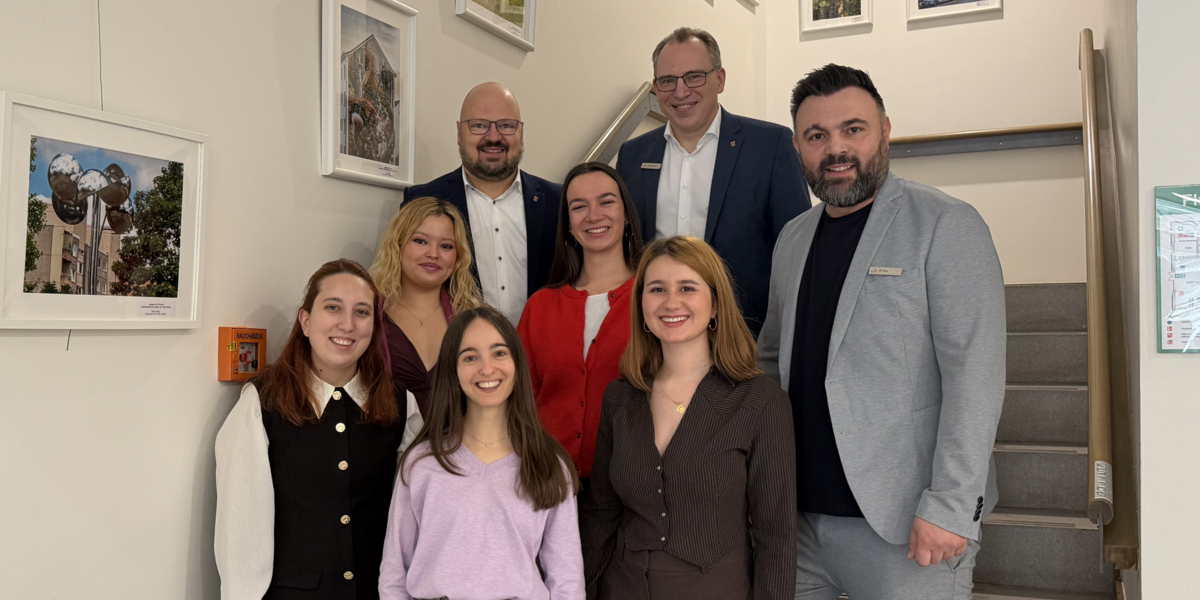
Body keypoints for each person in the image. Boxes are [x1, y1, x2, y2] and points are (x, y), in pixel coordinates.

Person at [757, 64, 1006, 600]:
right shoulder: (792, 239)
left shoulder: (946, 225)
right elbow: (768, 361)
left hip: (907, 526)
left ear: (886, 130)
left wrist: (951, 504)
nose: (836, 149)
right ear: (798, 146)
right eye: (816, 136)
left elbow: (975, 377)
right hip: (798, 524)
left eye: (854, 129)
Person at [581, 235, 797, 600]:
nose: (671, 302)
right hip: (621, 586)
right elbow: (602, 513)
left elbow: (776, 534)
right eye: (657, 289)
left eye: (687, 287)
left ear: (715, 305)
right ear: (642, 306)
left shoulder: (761, 402)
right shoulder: (620, 397)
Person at [215, 259, 410, 600]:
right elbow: (241, 536)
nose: (347, 324)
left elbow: (413, 519)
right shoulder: (260, 404)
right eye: (333, 307)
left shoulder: (401, 404)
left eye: (361, 312)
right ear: (306, 321)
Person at [379, 306, 585, 600]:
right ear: (453, 369)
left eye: (499, 353)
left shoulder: (548, 464)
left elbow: (567, 580)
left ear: (517, 362)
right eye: (470, 357)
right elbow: (394, 572)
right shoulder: (421, 463)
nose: (487, 369)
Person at [616, 27, 811, 336]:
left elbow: (797, 250)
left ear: (719, 79)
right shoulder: (633, 154)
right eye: (668, 81)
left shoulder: (770, 146)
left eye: (694, 76)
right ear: (656, 87)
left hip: (744, 338)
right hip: (658, 336)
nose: (680, 92)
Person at [517, 162, 644, 499]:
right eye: (579, 206)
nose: (593, 215)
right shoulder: (540, 307)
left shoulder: (656, 298)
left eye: (606, 201)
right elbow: (517, 404)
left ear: (627, 213)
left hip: (633, 495)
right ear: (568, 225)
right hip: (549, 490)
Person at [402, 82, 561, 325]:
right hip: (456, 356)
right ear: (459, 132)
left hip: (541, 358)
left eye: (506, 125)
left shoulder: (559, 202)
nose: (494, 137)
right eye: (479, 125)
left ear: (521, 131)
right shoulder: (423, 201)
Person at [370, 196, 484, 417]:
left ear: (458, 256)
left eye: (446, 246)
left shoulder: (477, 320)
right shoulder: (368, 315)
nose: (433, 254)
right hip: (387, 447)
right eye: (420, 241)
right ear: (398, 244)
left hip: (461, 447)